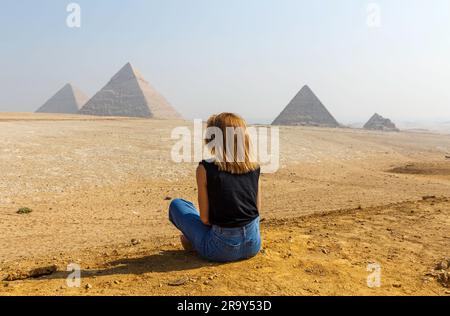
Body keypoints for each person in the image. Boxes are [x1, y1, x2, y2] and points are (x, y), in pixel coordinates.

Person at [169, 113, 261, 262]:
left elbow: (205, 219)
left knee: (178, 205)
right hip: (253, 246)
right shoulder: (255, 168)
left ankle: (193, 241)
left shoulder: (204, 169)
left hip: (220, 250)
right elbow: (256, 210)